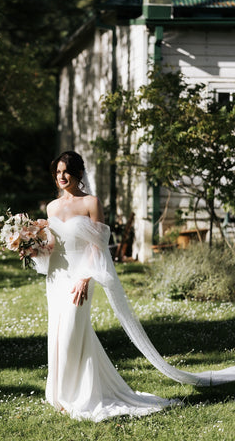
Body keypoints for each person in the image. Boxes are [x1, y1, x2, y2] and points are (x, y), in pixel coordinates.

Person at [34, 151, 235, 422]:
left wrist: (85, 277)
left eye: (66, 171)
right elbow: (54, 247)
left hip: (81, 278)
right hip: (57, 277)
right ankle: (62, 394)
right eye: (57, 172)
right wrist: (32, 248)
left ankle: (78, 396)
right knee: (59, 334)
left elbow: (99, 246)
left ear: (79, 174)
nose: (61, 177)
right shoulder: (52, 208)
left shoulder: (91, 203)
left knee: (71, 331)